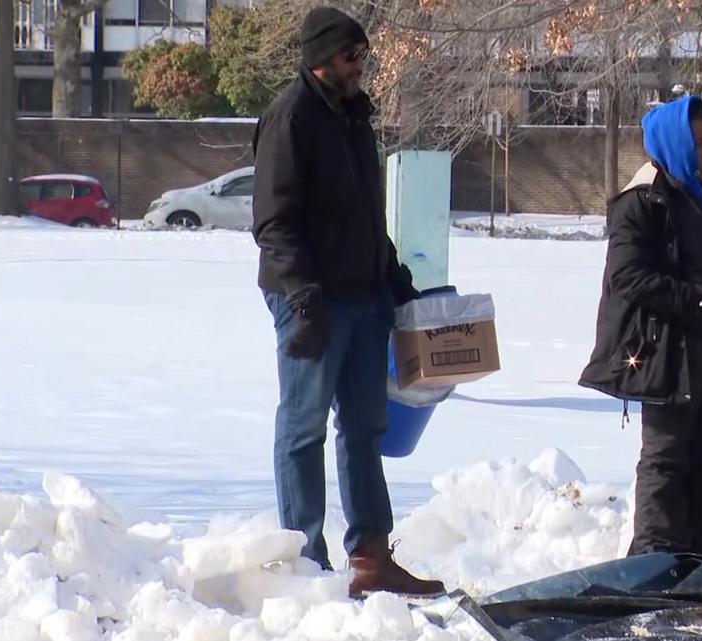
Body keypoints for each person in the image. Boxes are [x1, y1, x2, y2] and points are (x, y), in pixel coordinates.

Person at [251, 6, 445, 599]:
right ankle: (304, 562)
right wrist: (303, 297)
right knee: (303, 426)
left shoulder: (356, 117)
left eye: (364, 55)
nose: (361, 65)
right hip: (310, 299)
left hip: (364, 298)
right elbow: (274, 224)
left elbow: (365, 215)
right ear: (321, 59)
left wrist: (393, 275)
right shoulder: (291, 118)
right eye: (350, 55)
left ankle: (371, 558)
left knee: (364, 427)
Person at [579, 95, 702, 556]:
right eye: (698, 144)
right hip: (671, 358)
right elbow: (628, 276)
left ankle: (699, 558)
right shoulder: (643, 201)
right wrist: (696, 301)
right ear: (674, 143)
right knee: (667, 458)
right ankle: (653, 562)